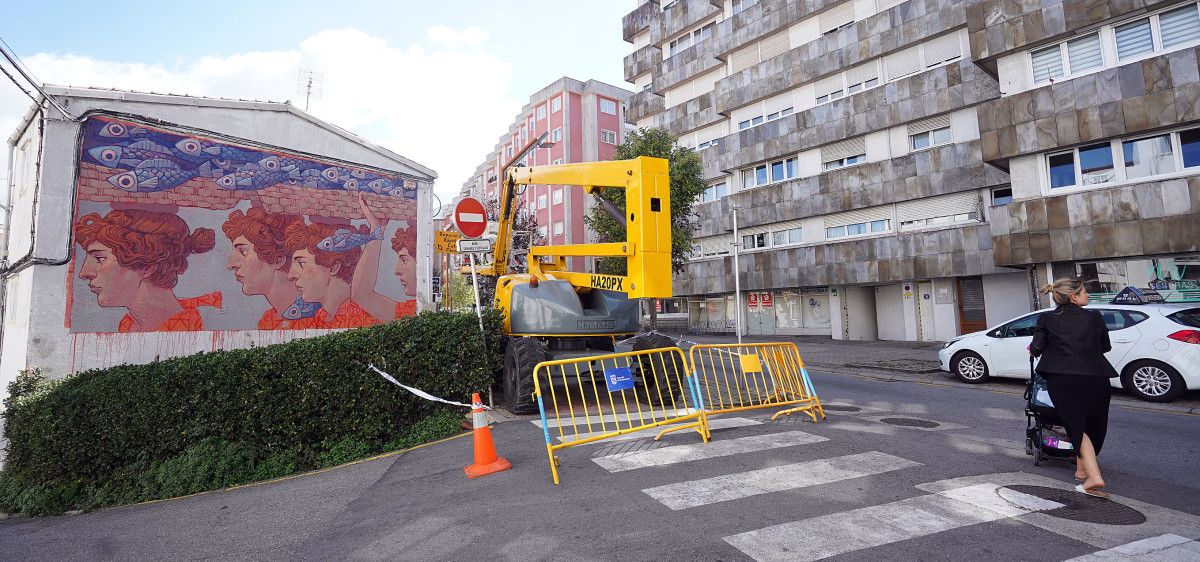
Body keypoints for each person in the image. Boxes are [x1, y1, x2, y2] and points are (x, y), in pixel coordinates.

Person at [1029, 277, 1118, 499]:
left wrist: (1034, 348)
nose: (1087, 294)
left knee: (1076, 425)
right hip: (1096, 376)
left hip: (1063, 379)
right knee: (1095, 424)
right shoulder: (1095, 317)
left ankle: (1093, 476)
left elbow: (1037, 348)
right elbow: (1104, 347)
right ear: (1074, 296)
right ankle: (1081, 469)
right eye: (1084, 291)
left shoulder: (1046, 319)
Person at [75, 209, 221, 332]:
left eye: (100, 259)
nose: (84, 273)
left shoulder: (193, 326)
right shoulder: (128, 324)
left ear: (147, 267)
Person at [222, 207, 319, 330]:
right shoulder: (268, 321)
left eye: (243, 252)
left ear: (278, 260)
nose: (230, 265)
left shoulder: (320, 319)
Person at [283, 220, 379, 329]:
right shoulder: (321, 317)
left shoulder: (365, 316)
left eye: (301, 263)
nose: (290, 275)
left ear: (334, 267)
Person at [351, 193, 418, 320]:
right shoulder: (409, 310)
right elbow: (360, 294)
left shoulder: (412, 310)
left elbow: (361, 294)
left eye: (404, 260)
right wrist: (377, 229)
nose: (397, 271)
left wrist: (377, 229)